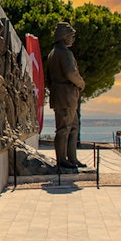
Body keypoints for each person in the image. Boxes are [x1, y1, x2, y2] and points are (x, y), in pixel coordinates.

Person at [47, 21, 86, 171]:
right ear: (64, 37)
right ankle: (63, 160)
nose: (72, 39)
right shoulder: (63, 53)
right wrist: (81, 83)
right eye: (71, 36)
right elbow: (71, 73)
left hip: (63, 95)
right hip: (66, 95)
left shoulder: (53, 54)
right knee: (64, 128)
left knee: (73, 127)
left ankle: (72, 157)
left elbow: (48, 79)